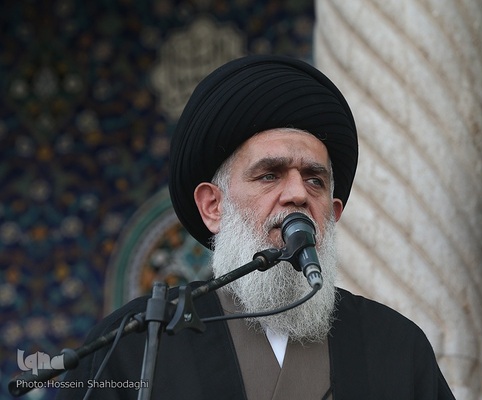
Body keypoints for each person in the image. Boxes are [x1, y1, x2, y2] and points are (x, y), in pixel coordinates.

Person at [56, 55, 456, 399]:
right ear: (213, 206)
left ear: (333, 214)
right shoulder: (136, 342)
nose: (298, 193)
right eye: (269, 175)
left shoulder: (396, 345)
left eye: (315, 180)